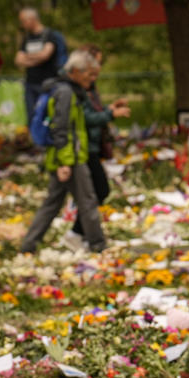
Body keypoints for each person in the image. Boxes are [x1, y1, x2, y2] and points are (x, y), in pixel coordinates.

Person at [19, 51, 106, 254]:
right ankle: (98, 245)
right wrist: (65, 163)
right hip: (70, 158)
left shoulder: (63, 89)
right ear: (75, 71)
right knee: (87, 201)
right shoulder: (66, 93)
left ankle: (28, 245)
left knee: (53, 202)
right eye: (88, 74)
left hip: (65, 157)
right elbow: (62, 128)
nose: (91, 80)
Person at [62, 45, 130, 251]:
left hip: (88, 146)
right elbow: (85, 118)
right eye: (95, 64)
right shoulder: (74, 90)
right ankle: (85, 238)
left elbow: (90, 112)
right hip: (82, 148)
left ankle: (80, 235)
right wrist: (111, 115)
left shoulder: (86, 88)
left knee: (91, 193)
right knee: (94, 193)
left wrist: (109, 109)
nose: (96, 71)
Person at [14, 8, 67, 125]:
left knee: (48, 117)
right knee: (32, 117)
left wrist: (27, 58)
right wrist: (36, 58)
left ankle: (48, 139)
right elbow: (18, 60)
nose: (22, 25)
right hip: (31, 84)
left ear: (32, 19)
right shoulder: (27, 38)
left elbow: (45, 55)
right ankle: (36, 141)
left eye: (24, 21)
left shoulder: (49, 35)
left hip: (48, 84)